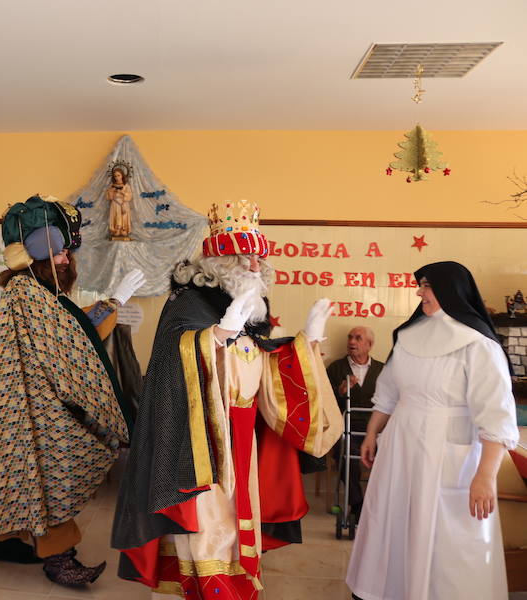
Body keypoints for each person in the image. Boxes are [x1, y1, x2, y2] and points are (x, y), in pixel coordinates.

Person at [111, 200, 342, 600]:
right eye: (246, 257)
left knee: (235, 521)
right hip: (197, 438)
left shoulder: (254, 310)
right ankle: (204, 587)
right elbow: (172, 366)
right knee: (207, 523)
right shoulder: (188, 305)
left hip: (243, 438)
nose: (256, 266)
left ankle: (231, 584)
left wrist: (308, 341)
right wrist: (217, 335)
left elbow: (265, 366)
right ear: (221, 262)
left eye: (259, 257)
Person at [0, 195, 143, 587]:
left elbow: (69, 333)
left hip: (25, 402)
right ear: (36, 255)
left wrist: (113, 303)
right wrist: (114, 302)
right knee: (51, 470)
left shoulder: (36, 292)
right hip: (30, 406)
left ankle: (4, 542)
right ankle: (58, 558)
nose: (66, 260)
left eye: (66, 253)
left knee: (19, 473)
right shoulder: (27, 293)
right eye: (60, 253)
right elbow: (71, 344)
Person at [346, 261, 518, 600]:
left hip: (448, 452)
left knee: (446, 539)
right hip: (400, 446)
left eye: (425, 285)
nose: (419, 292)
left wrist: (485, 476)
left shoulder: (479, 346)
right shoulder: (409, 336)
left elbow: (495, 417)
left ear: (450, 289)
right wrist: (371, 434)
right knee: (391, 523)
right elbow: (390, 393)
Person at [325, 326, 384, 518]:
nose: (351, 342)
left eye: (358, 338)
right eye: (350, 337)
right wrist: (341, 392)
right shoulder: (336, 368)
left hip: (376, 430)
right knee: (345, 452)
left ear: (369, 345)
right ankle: (358, 504)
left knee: (393, 452)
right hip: (346, 426)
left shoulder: (383, 370)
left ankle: (382, 505)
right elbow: (324, 400)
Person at [107, 162, 133, 240]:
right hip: (115, 203)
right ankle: (116, 230)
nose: (117, 177)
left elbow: (129, 196)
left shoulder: (126, 186)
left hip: (123, 204)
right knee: (116, 216)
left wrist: (122, 192)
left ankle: (123, 229)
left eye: (118, 175)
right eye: (115, 176)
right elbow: (108, 197)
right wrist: (112, 191)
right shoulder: (112, 186)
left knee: (123, 216)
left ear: (122, 176)